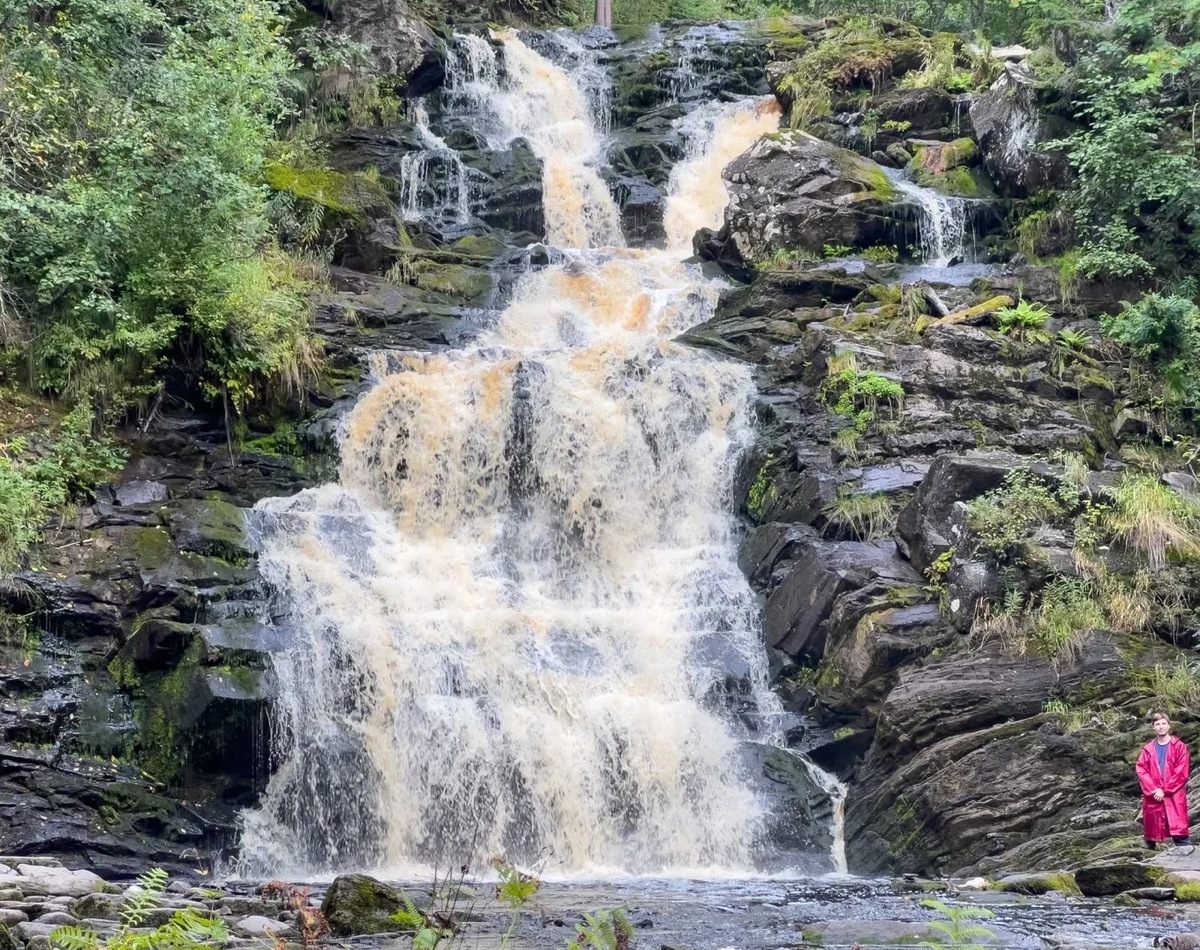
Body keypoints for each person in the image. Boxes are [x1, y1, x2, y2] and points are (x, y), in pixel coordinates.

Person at [1136, 710, 1191, 850]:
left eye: (1163, 723)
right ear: (1153, 727)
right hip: (1153, 796)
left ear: (1169, 725)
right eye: (1157, 724)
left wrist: (1164, 789)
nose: (1161, 726)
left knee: (1180, 834)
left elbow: (1181, 772)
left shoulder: (1179, 747)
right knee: (1151, 837)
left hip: (1174, 795)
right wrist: (1154, 789)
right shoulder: (1148, 750)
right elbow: (1142, 770)